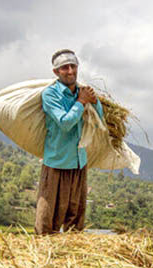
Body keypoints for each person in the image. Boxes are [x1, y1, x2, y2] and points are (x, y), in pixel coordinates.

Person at [36, 49, 103, 235]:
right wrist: (81, 102)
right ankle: (43, 250)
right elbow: (65, 123)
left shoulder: (81, 91)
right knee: (49, 214)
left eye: (73, 66)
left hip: (79, 160)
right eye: (64, 68)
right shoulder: (50, 95)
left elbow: (100, 119)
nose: (70, 71)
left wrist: (94, 101)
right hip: (57, 161)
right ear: (56, 72)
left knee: (76, 212)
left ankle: (73, 250)